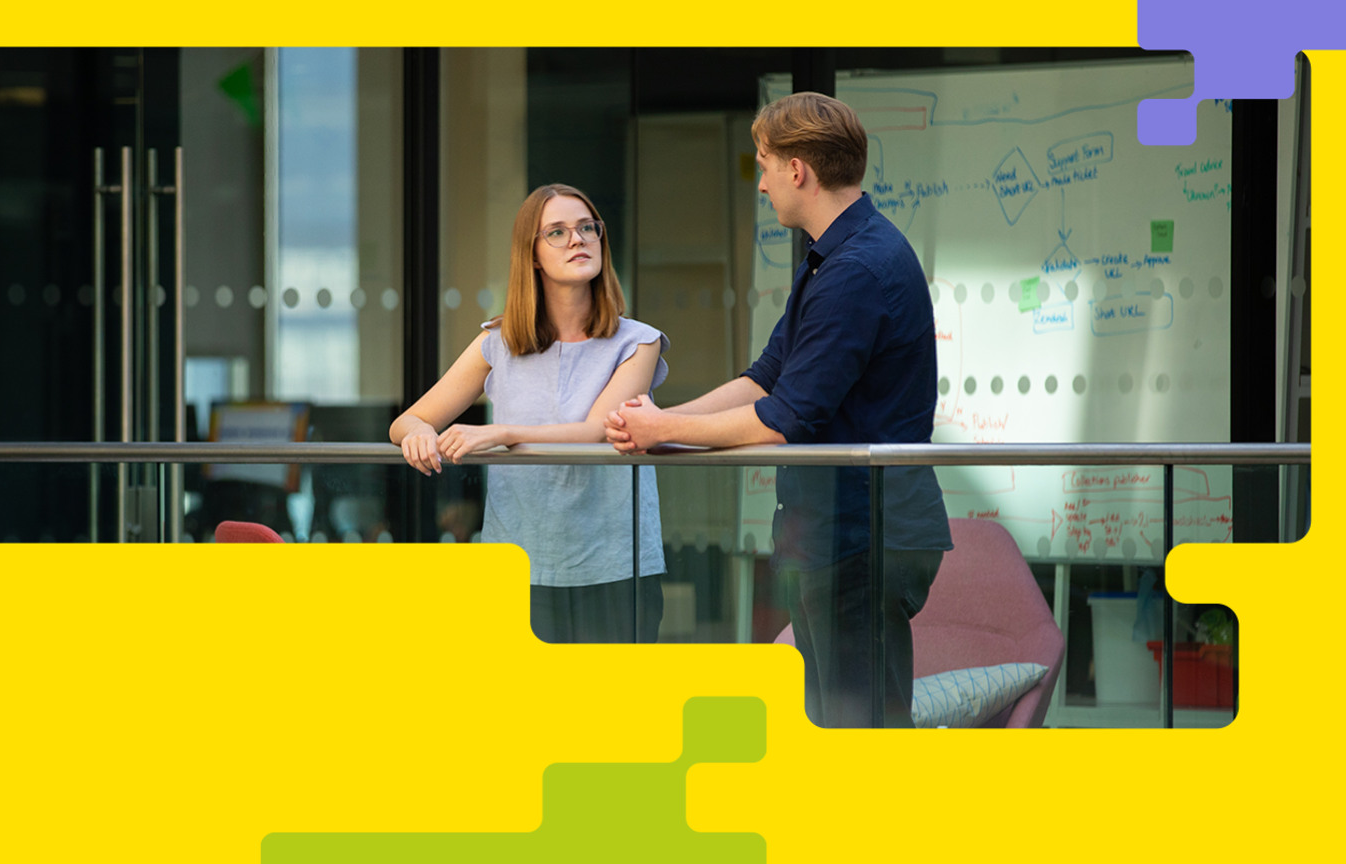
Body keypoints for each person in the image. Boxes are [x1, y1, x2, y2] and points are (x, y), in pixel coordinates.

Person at [604, 93, 952, 727]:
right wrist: (655, 418)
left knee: (861, 737)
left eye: (764, 166)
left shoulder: (855, 269)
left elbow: (783, 418)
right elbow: (765, 378)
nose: (760, 185)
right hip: (837, 533)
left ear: (798, 170)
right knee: (831, 729)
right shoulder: (833, 256)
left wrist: (666, 428)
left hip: (861, 535)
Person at [390, 183, 670, 644]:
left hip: (616, 566)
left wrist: (499, 433)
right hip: (518, 565)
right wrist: (418, 433)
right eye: (557, 232)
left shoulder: (638, 341)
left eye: (587, 228)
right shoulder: (497, 343)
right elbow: (406, 421)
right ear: (532, 256)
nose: (578, 239)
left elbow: (597, 431)